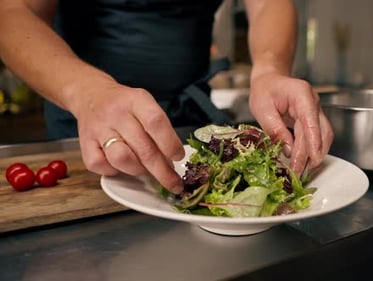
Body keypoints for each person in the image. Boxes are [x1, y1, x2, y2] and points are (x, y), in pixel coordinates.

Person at [0, 0, 333, 194]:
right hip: (90, 132)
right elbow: (13, 10)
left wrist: (270, 69)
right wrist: (88, 93)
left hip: (192, 131)